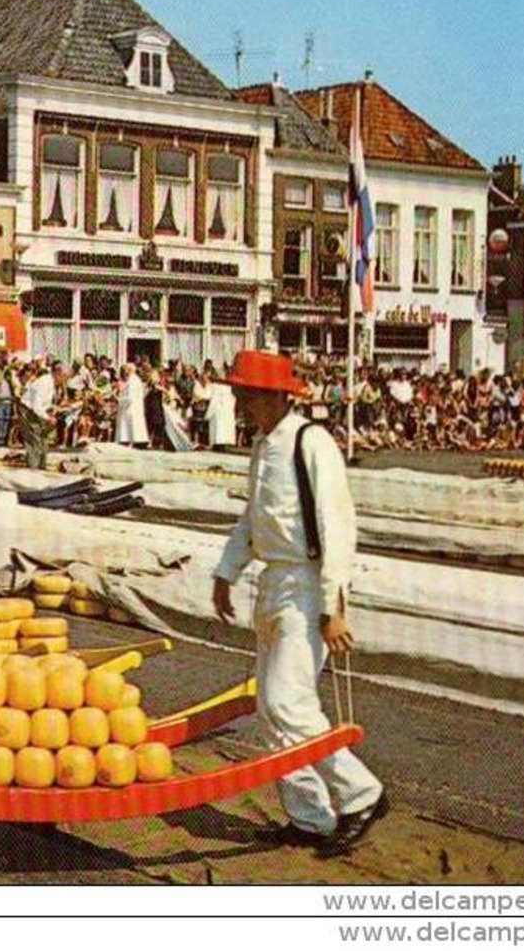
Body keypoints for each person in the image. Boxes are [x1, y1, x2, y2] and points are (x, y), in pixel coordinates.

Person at [211, 350, 387, 858]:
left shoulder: (312, 442)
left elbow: (338, 524)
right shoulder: (264, 446)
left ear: (272, 396)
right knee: (272, 709)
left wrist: (332, 605)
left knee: (291, 702)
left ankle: (362, 794)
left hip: (308, 584)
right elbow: (255, 517)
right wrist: (227, 572)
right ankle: (309, 815)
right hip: (274, 583)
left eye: (245, 394)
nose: (239, 403)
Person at [17, 360, 56, 470]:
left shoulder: (51, 382)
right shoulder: (45, 382)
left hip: (36, 411)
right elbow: (36, 405)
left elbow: (44, 402)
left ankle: (41, 467)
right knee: (34, 440)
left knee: (42, 439)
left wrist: (51, 409)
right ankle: (34, 469)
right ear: (59, 373)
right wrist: (48, 418)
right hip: (29, 410)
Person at [115, 364, 150, 448]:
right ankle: (136, 441)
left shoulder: (132, 381)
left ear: (130, 370)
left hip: (130, 407)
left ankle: (132, 441)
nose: (125, 372)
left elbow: (130, 397)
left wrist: (119, 400)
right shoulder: (136, 380)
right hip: (134, 407)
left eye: (127, 369)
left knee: (130, 425)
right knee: (134, 425)